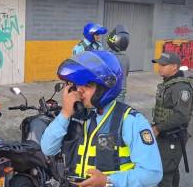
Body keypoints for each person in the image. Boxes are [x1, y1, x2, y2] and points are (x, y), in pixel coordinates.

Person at [41, 50, 163, 187]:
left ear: (104, 89)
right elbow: (48, 149)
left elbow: (152, 174)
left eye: (87, 85)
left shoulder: (130, 121)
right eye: (77, 84)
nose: (79, 90)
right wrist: (64, 114)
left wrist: (108, 181)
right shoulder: (73, 114)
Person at [151, 52, 193, 187]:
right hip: (166, 135)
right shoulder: (169, 83)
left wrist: (158, 128)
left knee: (164, 173)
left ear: (175, 67)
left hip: (173, 136)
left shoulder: (181, 87)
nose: (159, 67)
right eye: (159, 64)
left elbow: (182, 116)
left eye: (163, 65)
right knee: (171, 170)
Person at [106, 24, 130, 102]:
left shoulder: (106, 56)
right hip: (121, 95)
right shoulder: (125, 58)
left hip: (108, 95)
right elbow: (125, 74)